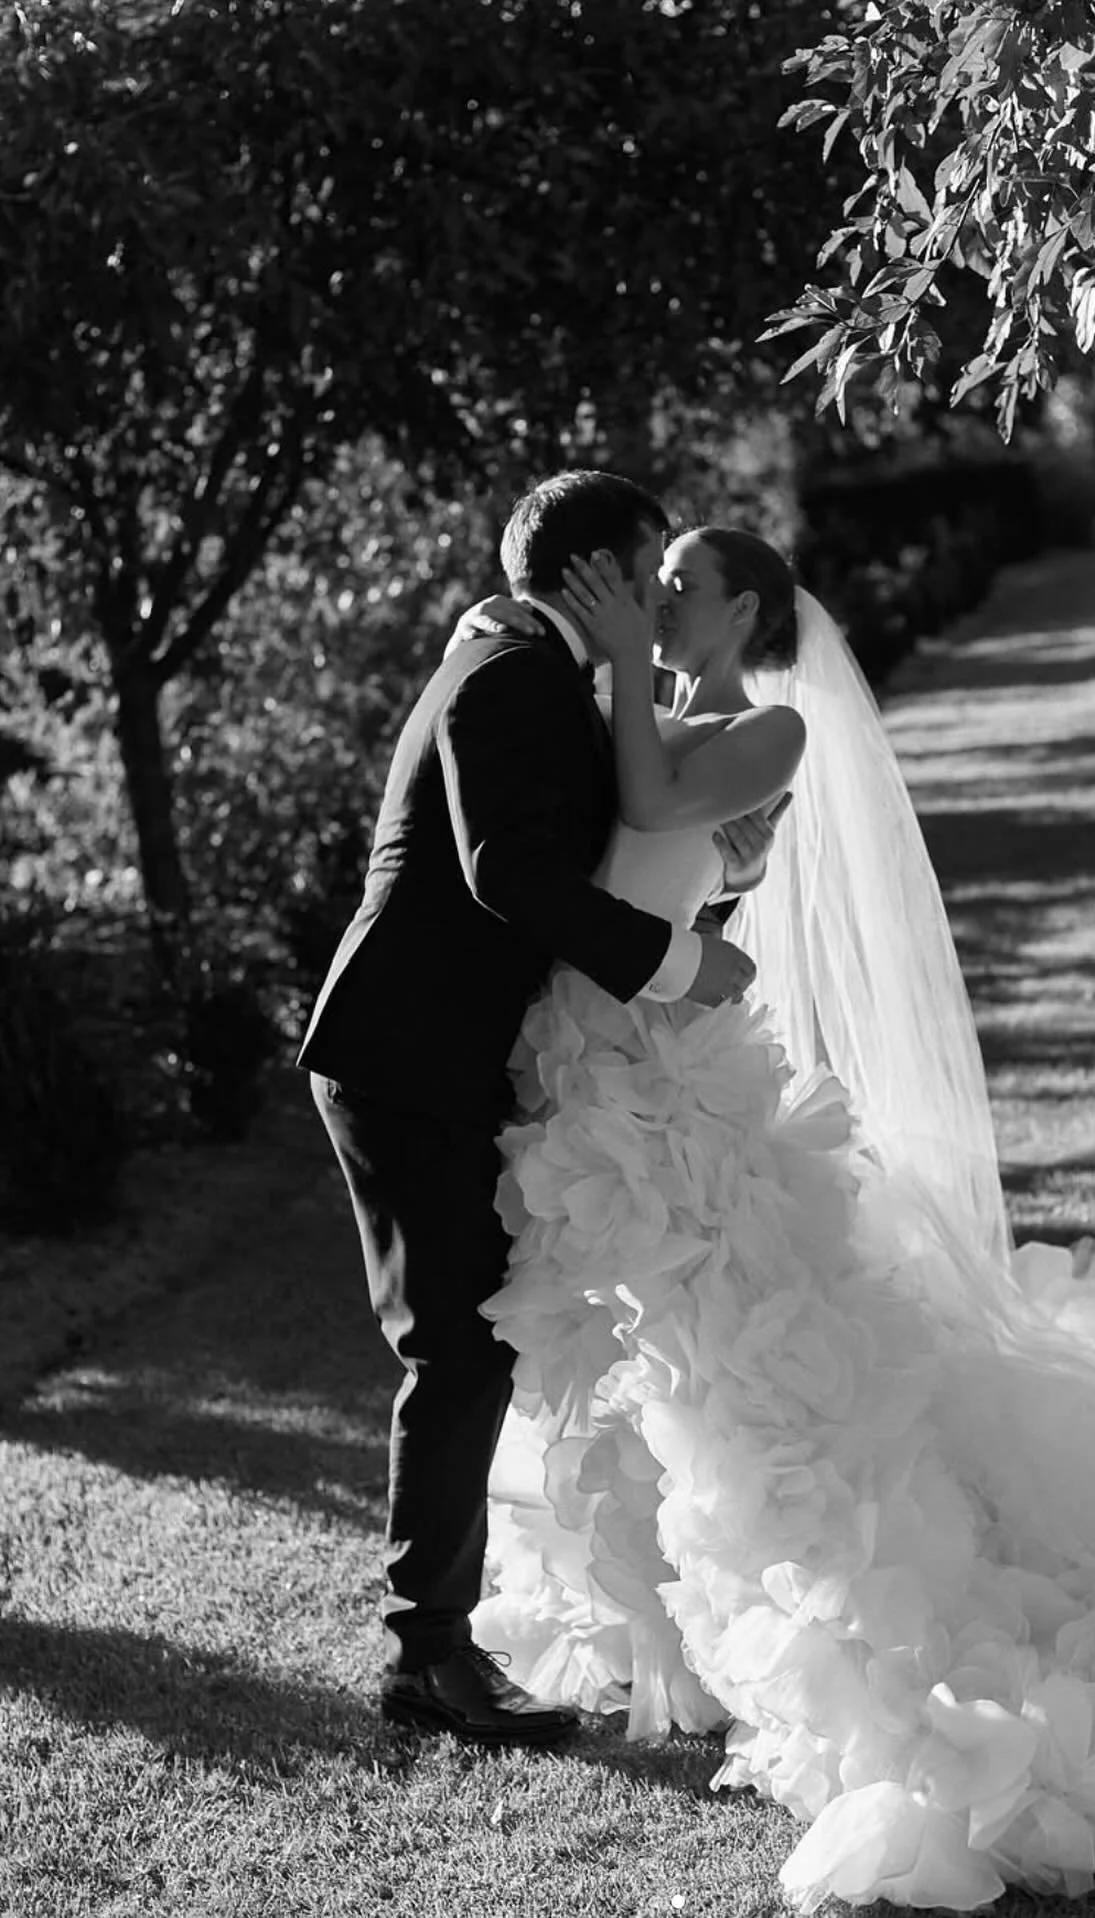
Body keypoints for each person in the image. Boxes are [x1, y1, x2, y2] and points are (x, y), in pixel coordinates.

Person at [467, 525, 1095, 1912]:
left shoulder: (760, 740)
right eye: (651, 584)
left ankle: (796, 1610)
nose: (658, 601)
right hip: (596, 1060)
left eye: (683, 586)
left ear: (746, 608)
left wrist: (623, 659)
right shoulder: (652, 703)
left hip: (666, 1075)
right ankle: (643, 1613)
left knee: (735, 1345)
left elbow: (646, 789)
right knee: (621, 1334)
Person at [296, 471, 758, 1747]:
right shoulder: (506, 672)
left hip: (440, 1050)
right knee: (454, 1347)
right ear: (598, 570)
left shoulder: (526, 661)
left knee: (471, 1340)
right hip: (404, 1051)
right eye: (647, 565)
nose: (657, 593)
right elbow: (508, 869)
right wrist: (676, 964)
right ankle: (427, 1660)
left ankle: (434, 1645)